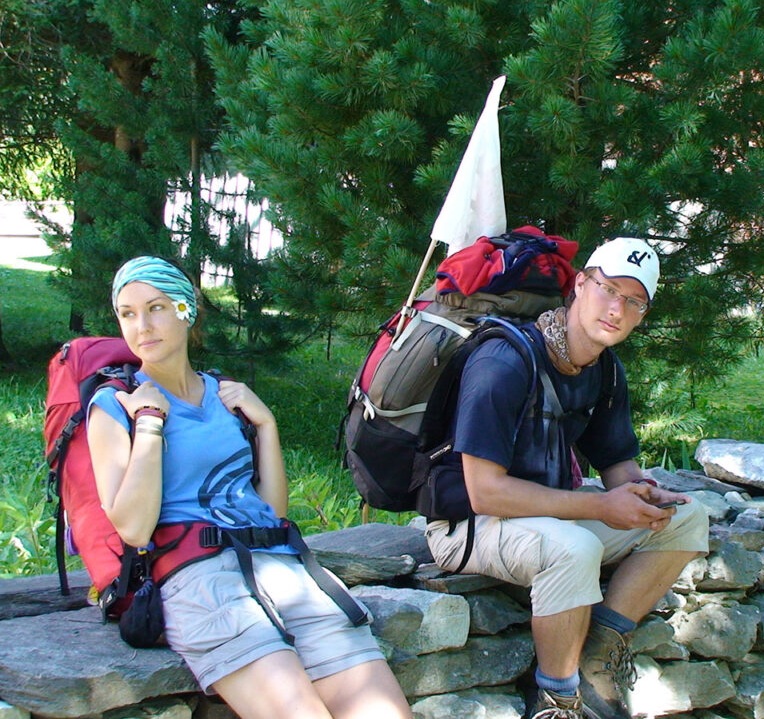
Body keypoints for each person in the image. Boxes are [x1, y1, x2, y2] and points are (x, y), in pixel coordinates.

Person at [87, 256, 412, 719]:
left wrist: (267, 425)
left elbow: (271, 511)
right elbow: (135, 529)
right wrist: (150, 423)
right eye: (128, 313)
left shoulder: (223, 395)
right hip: (203, 582)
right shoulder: (115, 403)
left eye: (156, 307)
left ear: (187, 309)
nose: (142, 325)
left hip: (286, 571)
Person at [424, 238, 710, 719]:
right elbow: (484, 491)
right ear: (580, 284)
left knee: (687, 517)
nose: (616, 308)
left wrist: (647, 495)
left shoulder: (604, 370)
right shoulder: (505, 361)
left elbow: (618, 466)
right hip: (466, 526)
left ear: (643, 314)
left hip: (544, 516)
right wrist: (601, 506)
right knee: (575, 548)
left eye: (633, 301)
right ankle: (557, 700)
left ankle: (596, 654)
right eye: (608, 289)